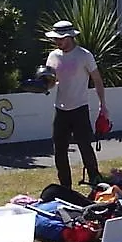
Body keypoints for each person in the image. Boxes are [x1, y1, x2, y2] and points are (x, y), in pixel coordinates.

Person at [44, 20, 108, 189]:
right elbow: (51, 82)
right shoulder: (53, 56)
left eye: (61, 39)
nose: (58, 42)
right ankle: (66, 187)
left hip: (80, 108)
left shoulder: (84, 55)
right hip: (61, 109)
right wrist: (43, 85)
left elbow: (97, 80)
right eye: (56, 39)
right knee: (59, 150)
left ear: (71, 37)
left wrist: (103, 105)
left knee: (85, 146)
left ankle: (95, 180)